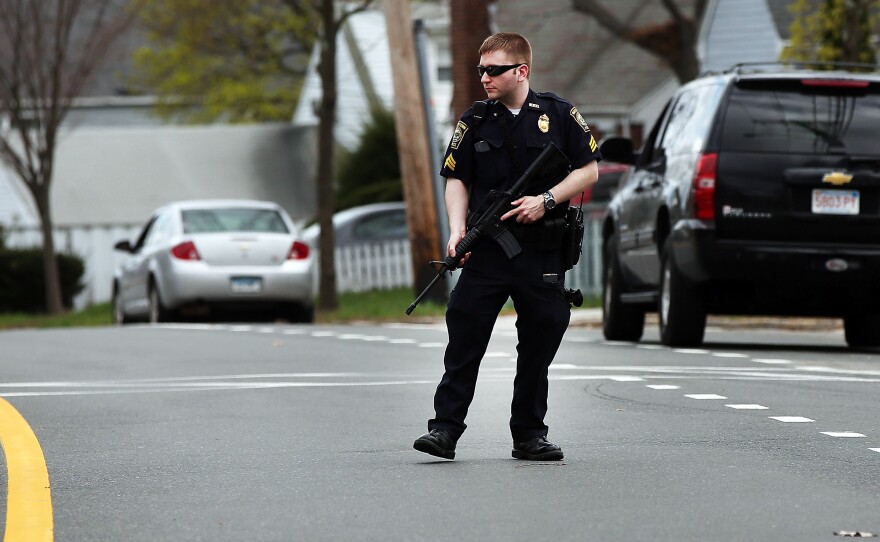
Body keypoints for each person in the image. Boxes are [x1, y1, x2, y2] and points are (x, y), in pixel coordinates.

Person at [413, 32, 601, 461]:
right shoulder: (475, 119)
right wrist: (457, 229)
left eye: (493, 70)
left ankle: (529, 434)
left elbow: (589, 169)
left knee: (539, 342)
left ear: (522, 71)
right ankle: (444, 430)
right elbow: (456, 177)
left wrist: (547, 199)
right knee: (464, 337)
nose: (484, 78)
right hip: (488, 252)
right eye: (481, 70)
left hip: (541, 252)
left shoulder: (559, 113)